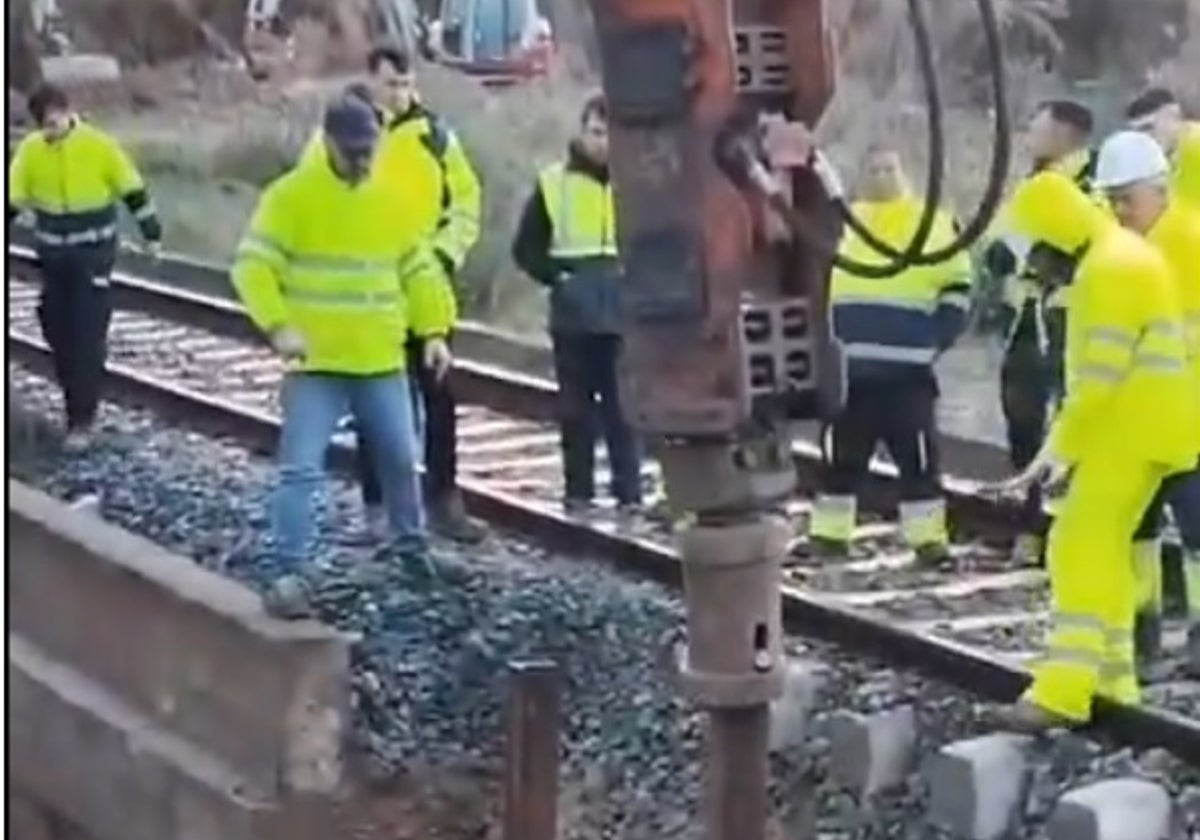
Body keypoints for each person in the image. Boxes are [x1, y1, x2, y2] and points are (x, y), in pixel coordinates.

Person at [231, 95, 454, 618]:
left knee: (402, 458)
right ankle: (290, 567)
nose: (361, 161)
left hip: (380, 360)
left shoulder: (390, 199)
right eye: (352, 150)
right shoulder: (291, 197)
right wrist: (278, 325)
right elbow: (251, 266)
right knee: (301, 470)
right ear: (327, 141)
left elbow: (418, 270)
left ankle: (409, 548)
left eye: (368, 150)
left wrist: (435, 332)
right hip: (318, 364)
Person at [994, 170, 1199, 732]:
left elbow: (1097, 381)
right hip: (1149, 428)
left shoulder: (1107, 272)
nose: (1039, 267)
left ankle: (1063, 692)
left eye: (1039, 251)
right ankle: (1113, 677)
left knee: (1077, 544)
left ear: (1056, 232)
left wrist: (1052, 455)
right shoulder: (1120, 257)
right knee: (1104, 547)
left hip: (1131, 428)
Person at [807, 145, 971, 564]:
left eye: (889, 167)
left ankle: (928, 542)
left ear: (905, 173)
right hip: (850, 373)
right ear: (861, 177)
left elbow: (959, 287)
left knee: (917, 461)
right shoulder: (845, 222)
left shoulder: (933, 224)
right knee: (840, 459)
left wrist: (936, 340)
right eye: (873, 169)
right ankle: (829, 537)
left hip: (908, 375)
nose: (881, 175)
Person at [1094, 130, 1200, 674]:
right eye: (1110, 201)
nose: (1118, 211)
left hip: (1184, 418)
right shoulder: (1128, 243)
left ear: (1157, 190)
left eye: (1125, 200)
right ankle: (1144, 630)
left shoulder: (1183, 237)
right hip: (1140, 418)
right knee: (1141, 531)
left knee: (1193, 528)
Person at [7, 82, 163, 450]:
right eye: (45, 125)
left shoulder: (98, 145)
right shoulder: (31, 153)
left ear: (67, 112)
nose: (52, 130)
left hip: (93, 257)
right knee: (56, 327)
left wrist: (151, 234)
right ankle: (77, 398)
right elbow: (12, 200)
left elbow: (132, 190)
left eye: (56, 121)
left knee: (86, 335)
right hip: (54, 260)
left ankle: (81, 421)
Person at [511, 93, 642, 517]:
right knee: (576, 414)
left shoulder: (637, 184)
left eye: (610, 134)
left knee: (625, 414)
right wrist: (559, 278)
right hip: (573, 320)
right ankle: (579, 495)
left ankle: (630, 497)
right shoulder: (554, 182)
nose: (603, 142)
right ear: (582, 132)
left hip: (622, 319)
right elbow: (525, 249)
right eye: (596, 132)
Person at [983, 100, 1097, 566]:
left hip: (1073, 327)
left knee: (1072, 437)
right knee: (1024, 430)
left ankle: (1063, 535)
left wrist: (1031, 253)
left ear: (1065, 134)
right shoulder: (1031, 185)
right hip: (1025, 328)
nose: (1029, 135)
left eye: (1038, 127)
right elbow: (997, 251)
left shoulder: (1093, 185)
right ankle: (1031, 528)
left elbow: (1079, 252)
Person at [1127, 87, 1200, 209]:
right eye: (1137, 133)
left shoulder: (1195, 145)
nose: (1144, 138)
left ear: (1173, 116)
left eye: (1148, 128)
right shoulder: (1162, 159)